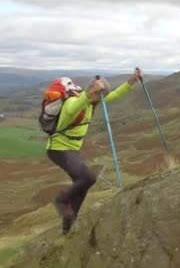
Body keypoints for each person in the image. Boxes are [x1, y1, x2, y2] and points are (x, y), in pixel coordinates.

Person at [46, 68, 143, 233]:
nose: (102, 101)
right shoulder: (75, 102)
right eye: (100, 96)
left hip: (71, 150)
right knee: (89, 178)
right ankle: (61, 200)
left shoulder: (93, 102)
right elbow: (71, 110)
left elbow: (114, 96)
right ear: (93, 92)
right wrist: (90, 93)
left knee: (82, 185)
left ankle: (69, 224)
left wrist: (132, 81)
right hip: (58, 149)